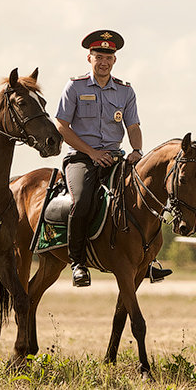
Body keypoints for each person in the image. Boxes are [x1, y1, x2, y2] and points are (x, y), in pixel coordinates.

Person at [55, 30, 145, 287]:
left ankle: (144, 260)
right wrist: (92, 153)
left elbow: (134, 126)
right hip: (81, 158)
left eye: (108, 56)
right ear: (89, 58)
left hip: (116, 158)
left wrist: (136, 151)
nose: (103, 61)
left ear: (114, 60)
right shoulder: (75, 86)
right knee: (82, 201)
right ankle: (78, 264)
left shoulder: (125, 91)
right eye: (98, 56)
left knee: (141, 198)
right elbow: (61, 126)